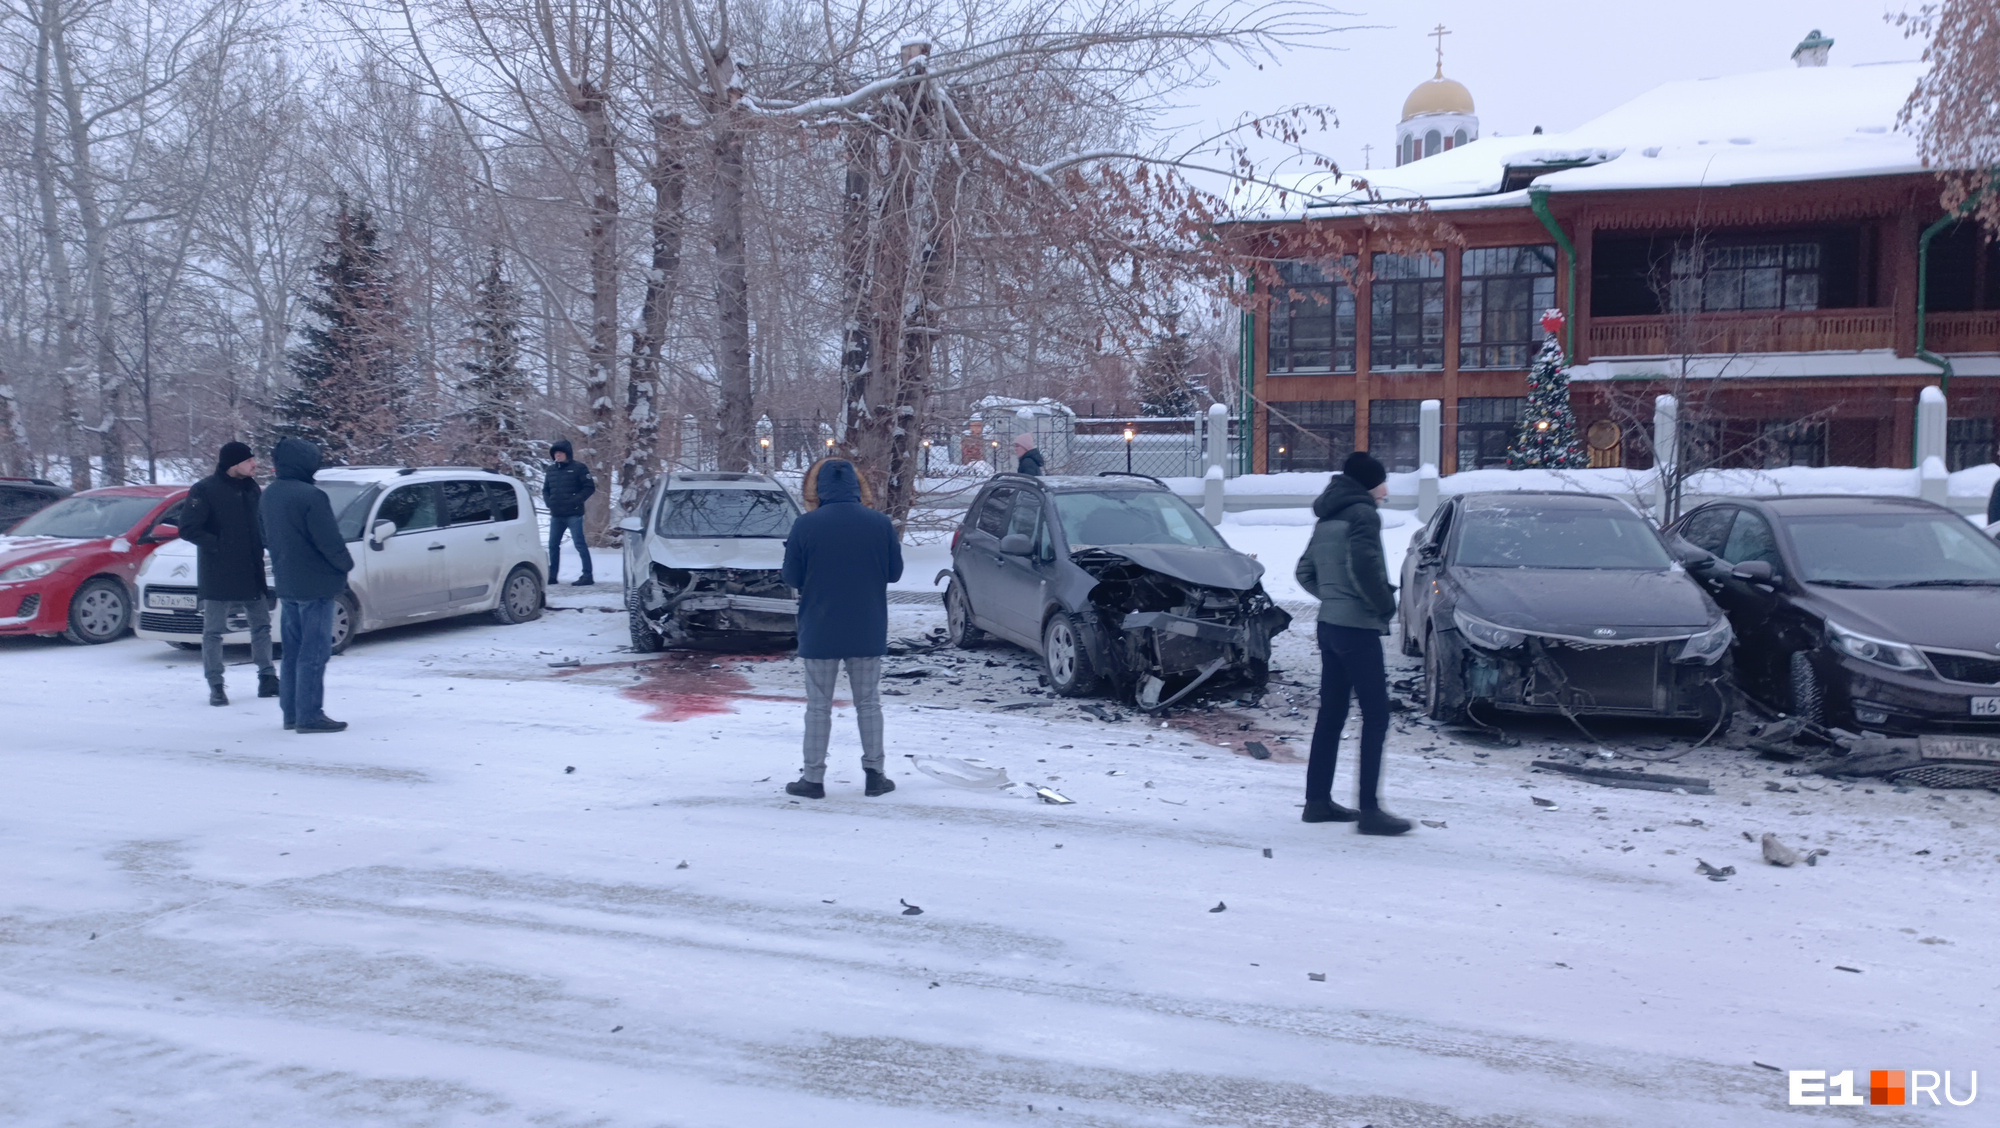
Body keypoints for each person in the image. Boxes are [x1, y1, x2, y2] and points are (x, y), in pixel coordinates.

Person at [1294, 450, 1411, 836]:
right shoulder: (1363, 514)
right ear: (1368, 482)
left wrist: (1332, 597)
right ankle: (1371, 811)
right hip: (1357, 629)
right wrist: (1383, 606)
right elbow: (1365, 568)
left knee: (1332, 715)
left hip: (1329, 625)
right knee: (1376, 716)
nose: (1386, 488)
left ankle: (1317, 802)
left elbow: (1304, 571)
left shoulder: (1328, 516)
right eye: (1382, 480)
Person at [781, 458, 904, 799]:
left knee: (818, 706)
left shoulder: (805, 526)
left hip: (819, 628)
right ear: (857, 486)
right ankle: (876, 775)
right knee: (869, 703)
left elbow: (791, 577)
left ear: (819, 489)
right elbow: (894, 573)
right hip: (867, 626)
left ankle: (814, 778)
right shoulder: (880, 524)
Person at [260, 437, 355, 734]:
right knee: (314, 653)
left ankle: (291, 713)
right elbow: (329, 541)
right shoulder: (312, 496)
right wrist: (345, 564)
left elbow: (263, 536)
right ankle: (309, 715)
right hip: (316, 585)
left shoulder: (269, 495)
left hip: (287, 581)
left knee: (292, 651)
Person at [179, 441, 276, 707]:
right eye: (249, 461)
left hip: (252, 569)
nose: (254, 464)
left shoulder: (252, 488)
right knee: (213, 631)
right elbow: (188, 528)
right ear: (234, 464)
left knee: (261, 626)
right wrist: (219, 544)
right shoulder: (205, 489)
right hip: (218, 572)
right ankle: (216, 685)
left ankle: (267, 678)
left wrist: (268, 543)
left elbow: (260, 524)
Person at [544, 439, 596, 586]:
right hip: (556, 515)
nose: (557, 456)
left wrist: (576, 500)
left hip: (574, 514)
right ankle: (552, 576)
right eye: (555, 454)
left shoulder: (579, 468)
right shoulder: (551, 470)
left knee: (579, 544)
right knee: (553, 545)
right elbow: (545, 489)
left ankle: (587, 575)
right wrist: (549, 502)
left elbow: (589, 487)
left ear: (567, 454)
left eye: (560, 453)